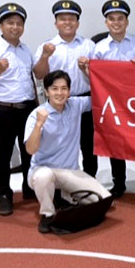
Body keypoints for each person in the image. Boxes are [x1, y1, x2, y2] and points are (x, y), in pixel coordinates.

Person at [79, 0, 135, 199]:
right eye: (111, 19)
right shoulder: (99, 48)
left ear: (127, 21)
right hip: (113, 104)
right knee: (115, 142)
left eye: (120, 18)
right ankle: (119, 183)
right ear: (106, 23)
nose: (116, 22)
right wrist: (85, 70)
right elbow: (94, 79)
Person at [24, 70, 112, 234]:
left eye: (64, 88)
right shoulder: (36, 116)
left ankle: (65, 196)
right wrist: (39, 125)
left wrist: (88, 72)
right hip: (44, 171)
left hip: (71, 171)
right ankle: (48, 214)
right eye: (54, 89)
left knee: (104, 200)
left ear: (69, 91)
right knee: (43, 177)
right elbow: (30, 149)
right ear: (47, 92)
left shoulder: (76, 105)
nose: (60, 93)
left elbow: (102, 95)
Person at [0, 3, 38, 216]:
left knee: (29, 151)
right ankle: (4, 195)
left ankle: (29, 189)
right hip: (4, 109)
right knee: (4, 154)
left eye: (19, 23)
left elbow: (31, 80)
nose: (15, 27)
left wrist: (37, 106)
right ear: (1, 26)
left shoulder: (26, 50)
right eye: (10, 23)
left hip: (28, 108)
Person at [33, 0, 97, 177]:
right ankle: (60, 182)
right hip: (57, 102)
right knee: (58, 145)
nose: (67, 22)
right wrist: (45, 56)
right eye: (63, 19)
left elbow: (98, 78)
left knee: (89, 146)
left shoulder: (88, 45)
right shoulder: (47, 46)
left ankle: (89, 182)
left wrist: (86, 69)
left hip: (84, 101)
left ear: (77, 23)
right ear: (56, 23)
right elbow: (39, 74)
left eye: (71, 19)